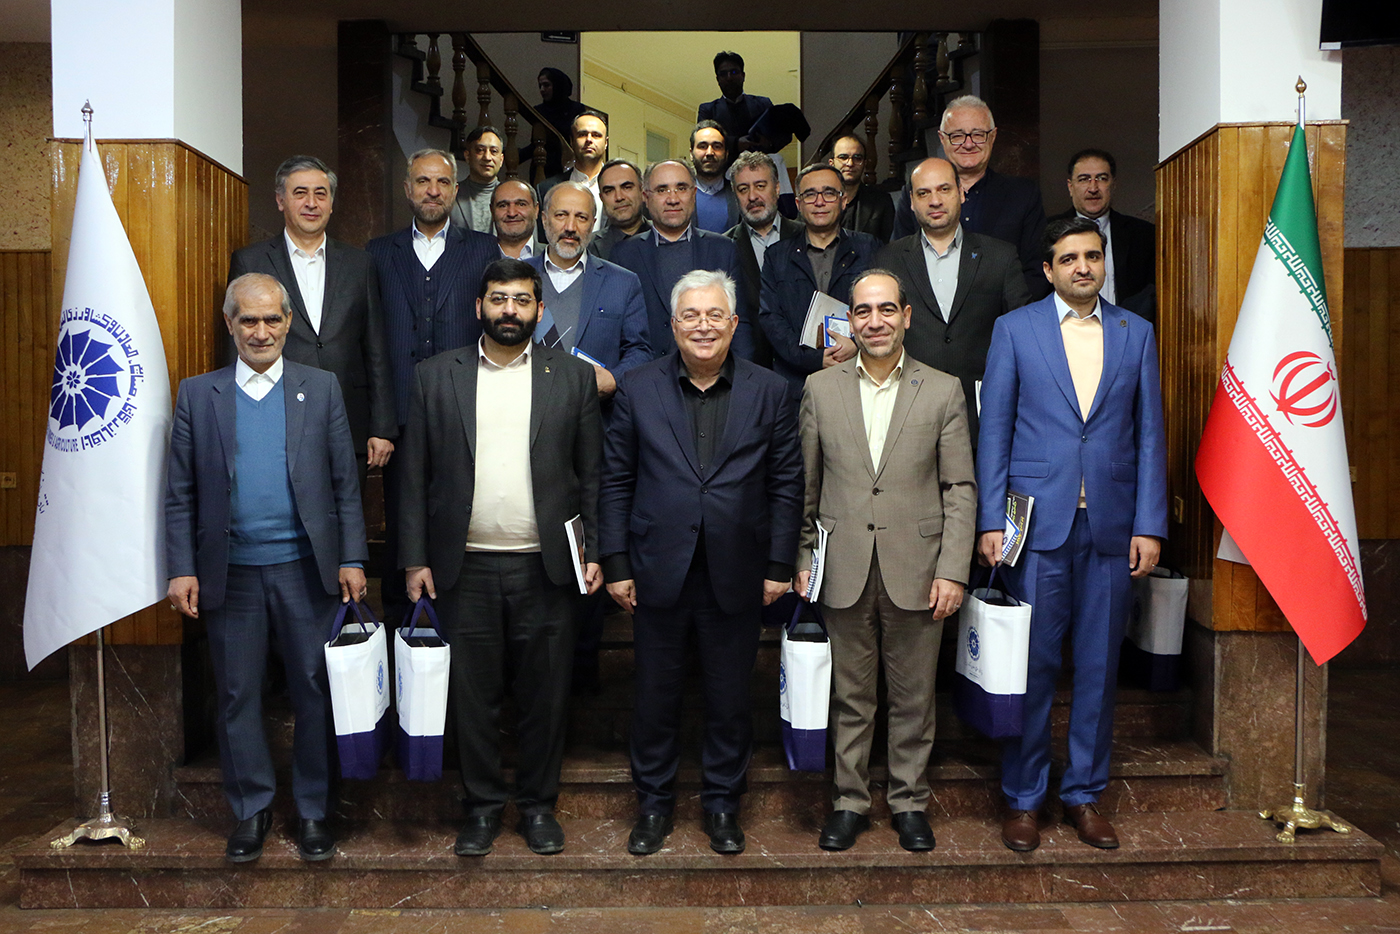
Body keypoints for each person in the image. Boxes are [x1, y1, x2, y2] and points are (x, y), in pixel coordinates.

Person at [397, 257, 604, 858]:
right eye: (498, 299)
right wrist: (414, 558)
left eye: (520, 300)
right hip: (464, 567)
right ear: (478, 307)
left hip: (548, 566)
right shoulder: (436, 376)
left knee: (545, 696)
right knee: (473, 699)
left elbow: (593, 474)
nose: (509, 310)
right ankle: (483, 808)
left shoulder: (573, 377)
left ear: (539, 310)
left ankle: (539, 807)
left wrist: (596, 550)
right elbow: (413, 477)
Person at [976, 216, 1168, 854]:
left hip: (1111, 526)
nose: (1083, 267)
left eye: (1093, 256)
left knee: (1098, 667)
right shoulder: (1015, 329)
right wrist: (990, 521)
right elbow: (994, 430)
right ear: (1048, 269)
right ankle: (1023, 797)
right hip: (1035, 527)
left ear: (1104, 263)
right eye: (1069, 258)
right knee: (1031, 666)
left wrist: (1150, 525)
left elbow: (1149, 434)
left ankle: (1084, 794)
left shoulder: (1135, 332)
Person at [166, 273, 367, 864]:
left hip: (307, 571)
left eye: (272, 319)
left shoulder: (320, 387)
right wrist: (181, 567)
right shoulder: (197, 395)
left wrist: (352, 556)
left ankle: (314, 810)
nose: (261, 331)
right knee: (237, 694)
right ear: (229, 324)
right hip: (231, 575)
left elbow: (345, 482)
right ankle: (251, 809)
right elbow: (180, 493)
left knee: (313, 690)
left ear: (288, 323)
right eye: (248, 320)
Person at [600, 269, 802, 856]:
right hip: (656, 570)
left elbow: (786, 484)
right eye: (691, 315)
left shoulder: (770, 390)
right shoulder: (638, 387)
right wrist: (616, 562)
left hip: (738, 571)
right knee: (654, 699)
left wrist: (779, 564)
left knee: (730, 699)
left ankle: (722, 805)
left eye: (715, 315)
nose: (703, 326)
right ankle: (653, 805)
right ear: (673, 325)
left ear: (735, 324)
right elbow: (616, 481)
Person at [796, 268, 976, 853]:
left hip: (919, 568)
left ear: (906, 316)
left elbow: (959, 488)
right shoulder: (820, 389)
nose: (874, 321)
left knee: (914, 697)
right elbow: (807, 485)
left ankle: (909, 803)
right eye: (862, 311)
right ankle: (848, 802)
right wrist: (803, 556)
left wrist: (952, 569)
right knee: (851, 697)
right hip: (843, 564)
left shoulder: (942, 389)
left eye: (885, 309)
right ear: (849, 320)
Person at [367, 148, 499, 621]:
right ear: (407, 189)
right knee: (403, 525)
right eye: (423, 181)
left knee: (459, 517)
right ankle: (403, 633)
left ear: (455, 191)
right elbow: (371, 342)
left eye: (442, 182)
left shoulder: (483, 250)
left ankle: (457, 627)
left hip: (464, 411)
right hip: (400, 416)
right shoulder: (377, 253)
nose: (432, 190)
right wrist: (381, 422)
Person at [228, 155, 396, 477]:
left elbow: (375, 347)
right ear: (280, 201)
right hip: (276, 415)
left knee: (347, 507)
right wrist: (237, 419)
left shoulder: (360, 264)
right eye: (300, 193)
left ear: (331, 203)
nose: (311, 203)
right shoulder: (251, 261)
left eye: (321, 194)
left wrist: (382, 427)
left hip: (349, 420)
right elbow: (235, 345)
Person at [874, 158, 1030, 443]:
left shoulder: (1000, 256)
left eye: (944, 189)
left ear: (961, 193)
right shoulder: (888, 260)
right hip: (908, 415)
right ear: (911, 202)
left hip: (982, 417)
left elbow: (1023, 335)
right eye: (923, 193)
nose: (935, 201)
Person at [892, 96, 1048, 301]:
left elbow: (1037, 270)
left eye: (978, 135)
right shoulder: (916, 193)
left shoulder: (1023, 195)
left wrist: (1008, 315)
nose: (968, 144)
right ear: (942, 138)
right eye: (957, 136)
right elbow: (900, 265)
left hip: (1005, 315)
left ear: (993, 136)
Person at [610, 159, 751, 360]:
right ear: (646, 198)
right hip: (645, 373)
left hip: (711, 371)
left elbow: (740, 324)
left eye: (681, 188)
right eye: (662, 190)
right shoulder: (623, 255)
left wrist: (740, 376)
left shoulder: (723, 249)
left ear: (694, 195)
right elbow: (616, 331)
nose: (673, 199)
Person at [759, 163, 880, 390]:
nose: (819, 202)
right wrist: (813, 359)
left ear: (843, 200)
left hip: (859, 379)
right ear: (798, 204)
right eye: (810, 194)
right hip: (796, 385)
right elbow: (771, 319)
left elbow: (883, 309)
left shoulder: (870, 249)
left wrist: (857, 345)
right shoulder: (776, 256)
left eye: (829, 193)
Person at [528, 180, 652, 399]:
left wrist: (613, 379)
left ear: (593, 224)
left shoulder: (623, 282)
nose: (570, 227)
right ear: (544, 219)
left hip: (595, 411)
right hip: (527, 406)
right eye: (561, 215)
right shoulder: (517, 276)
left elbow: (639, 350)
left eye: (581, 217)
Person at [1049, 148, 1156, 320]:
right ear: (1070, 187)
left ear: (1113, 185)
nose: (1093, 188)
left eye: (1101, 178)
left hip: (1125, 327)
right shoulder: (1047, 231)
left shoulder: (1144, 234)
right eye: (1084, 179)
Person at [724, 150, 802, 369]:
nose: (752, 196)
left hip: (802, 366)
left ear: (777, 189)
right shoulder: (723, 247)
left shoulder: (804, 237)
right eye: (743, 189)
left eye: (760, 186)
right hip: (748, 367)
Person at [538, 111, 609, 235]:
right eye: (582, 134)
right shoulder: (546, 188)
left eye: (596, 135)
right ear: (571, 141)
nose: (589, 140)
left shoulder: (621, 188)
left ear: (606, 143)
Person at [829, 135, 895, 244]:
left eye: (857, 158)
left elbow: (888, 246)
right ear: (831, 163)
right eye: (843, 157)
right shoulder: (817, 201)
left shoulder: (882, 201)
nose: (850, 163)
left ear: (864, 163)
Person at [697, 51, 774, 144]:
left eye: (734, 72)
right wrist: (736, 143)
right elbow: (704, 140)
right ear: (718, 79)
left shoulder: (763, 104)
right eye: (723, 74)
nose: (729, 78)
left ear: (743, 76)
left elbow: (776, 136)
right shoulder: (707, 110)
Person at [531, 67, 588, 178]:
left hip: (567, 165)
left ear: (557, 85)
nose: (542, 89)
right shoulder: (539, 111)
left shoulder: (576, 109)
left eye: (546, 85)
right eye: (540, 86)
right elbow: (536, 143)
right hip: (543, 167)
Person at [590, 159, 652, 260]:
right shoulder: (587, 248)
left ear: (642, 190)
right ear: (601, 198)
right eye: (609, 191)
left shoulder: (665, 236)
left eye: (626, 187)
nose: (619, 197)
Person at [450, 126, 504, 234]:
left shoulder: (514, 197)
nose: (487, 157)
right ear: (467, 156)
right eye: (480, 150)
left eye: (493, 151)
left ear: (501, 159)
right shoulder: (450, 194)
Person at [691, 121, 740, 233]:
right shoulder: (678, 195)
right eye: (703, 146)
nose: (709, 153)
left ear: (726, 154)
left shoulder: (739, 194)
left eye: (717, 147)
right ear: (691, 154)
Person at [491, 178, 543, 260]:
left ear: (536, 210)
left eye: (521, 204)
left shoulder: (555, 257)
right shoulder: (474, 259)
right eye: (503, 205)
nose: (512, 213)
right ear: (492, 211)